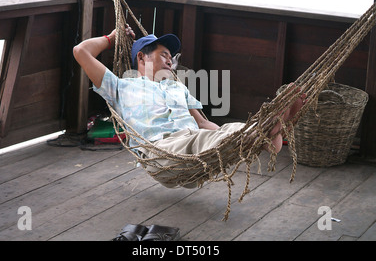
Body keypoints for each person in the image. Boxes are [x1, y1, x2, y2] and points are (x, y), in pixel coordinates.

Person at [73, 27, 305, 188]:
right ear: (142, 58)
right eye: (163, 55)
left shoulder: (177, 88)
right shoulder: (121, 86)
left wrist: (225, 133)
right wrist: (111, 38)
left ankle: (264, 135)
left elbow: (202, 123)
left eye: (170, 57)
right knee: (205, 139)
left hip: (197, 155)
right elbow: (81, 52)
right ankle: (266, 130)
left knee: (226, 131)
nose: (169, 61)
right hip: (162, 154)